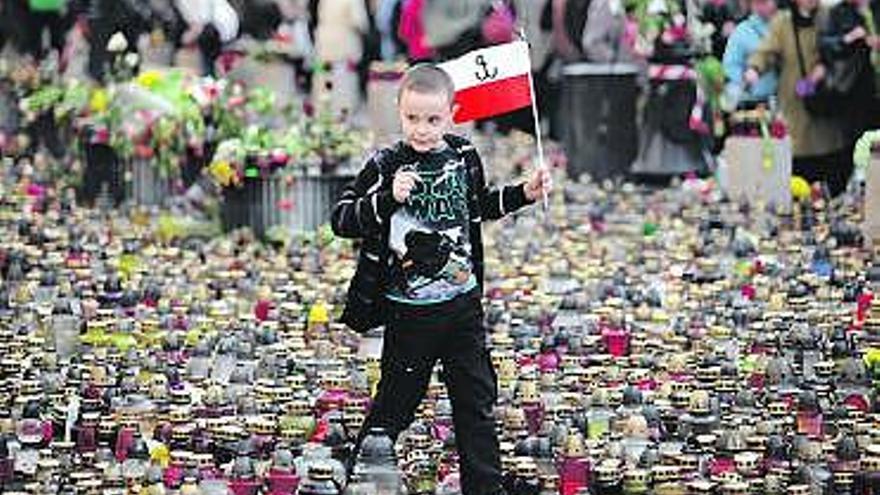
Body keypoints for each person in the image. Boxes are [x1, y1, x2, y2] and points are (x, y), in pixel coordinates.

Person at [331, 64, 551, 495]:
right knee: (397, 401)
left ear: (452, 113)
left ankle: (484, 487)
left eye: (433, 119)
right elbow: (341, 219)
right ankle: (360, 475)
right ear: (399, 111)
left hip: (463, 305)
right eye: (413, 118)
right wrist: (384, 199)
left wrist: (524, 192)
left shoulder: (464, 156)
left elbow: (482, 206)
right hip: (410, 313)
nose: (423, 129)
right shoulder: (386, 164)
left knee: (476, 401)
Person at [746, 0, 851, 196]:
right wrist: (754, 68)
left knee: (832, 166)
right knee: (799, 174)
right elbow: (766, 51)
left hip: (829, 104)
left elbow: (844, 49)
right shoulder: (782, 22)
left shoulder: (830, 16)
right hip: (796, 108)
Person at [819, 0, 880, 141]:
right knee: (855, 142)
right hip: (854, 89)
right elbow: (825, 45)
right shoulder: (838, 12)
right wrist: (848, 38)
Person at [723, 0, 779, 108]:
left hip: (788, 98)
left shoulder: (787, 26)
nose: (762, 7)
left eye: (765, 2)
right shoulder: (742, 31)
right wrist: (745, 79)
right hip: (758, 101)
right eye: (757, 3)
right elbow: (730, 67)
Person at [173, 0, 240, 76]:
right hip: (210, 29)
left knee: (205, 35)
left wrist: (184, 39)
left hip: (221, 30)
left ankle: (209, 73)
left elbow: (201, 23)